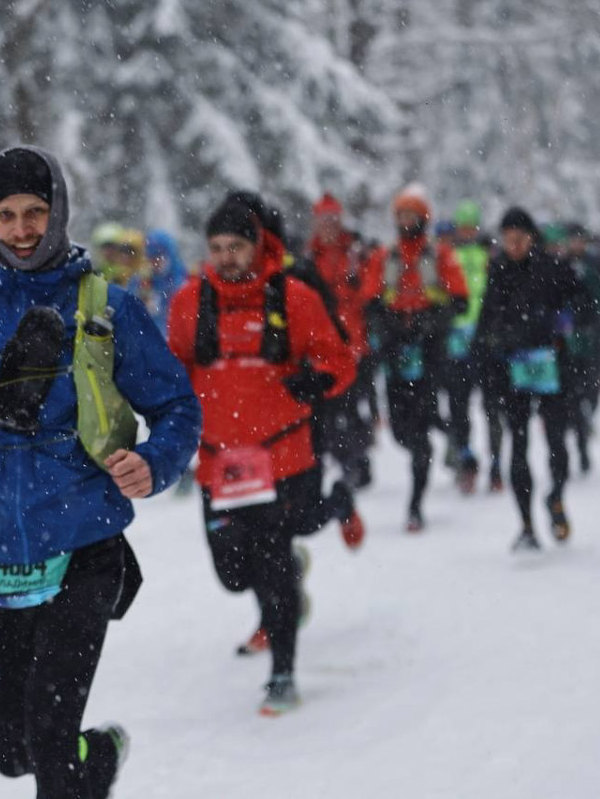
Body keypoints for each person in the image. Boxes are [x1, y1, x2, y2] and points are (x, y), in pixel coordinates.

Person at [0, 145, 200, 797]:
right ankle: (101, 756)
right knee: (14, 753)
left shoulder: (106, 306)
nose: (23, 230)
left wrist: (153, 461)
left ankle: (74, 761)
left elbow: (177, 406)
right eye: (7, 215)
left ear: (59, 212)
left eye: (36, 212)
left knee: (51, 747)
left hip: (84, 553)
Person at [169, 194, 355, 715]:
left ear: (257, 246)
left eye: (236, 246)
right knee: (233, 573)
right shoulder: (190, 301)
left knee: (272, 567)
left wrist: (315, 380)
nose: (227, 257)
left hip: (280, 457)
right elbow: (173, 369)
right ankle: (290, 576)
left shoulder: (293, 297)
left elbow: (339, 359)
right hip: (218, 462)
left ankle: (283, 673)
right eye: (217, 248)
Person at [474, 209, 578, 551]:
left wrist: (564, 323)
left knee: (557, 443)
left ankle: (556, 497)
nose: (513, 245)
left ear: (531, 237)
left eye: (518, 238)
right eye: (507, 239)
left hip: (552, 368)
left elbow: (586, 305)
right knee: (517, 449)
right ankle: (527, 525)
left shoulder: (554, 267)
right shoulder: (499, 270)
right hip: (512, 371)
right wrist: (486, 352)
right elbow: (486, 319)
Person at [367, 186, 468, 530]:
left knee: (421, 430)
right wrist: (389, 324)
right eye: (400, 216)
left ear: (423, 219)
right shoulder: (385, 257)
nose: (405, 222)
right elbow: (369, 302)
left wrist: (430, 321)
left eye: (411, 215)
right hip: (397, 352)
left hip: (429, 351)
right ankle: (449, 434)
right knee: (399, 431)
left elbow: (460, 300)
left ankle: (415, 505)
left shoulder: (439, 255)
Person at [299, 192, 380, 492]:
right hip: (326, 350)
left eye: (333, 219)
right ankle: (350, 462)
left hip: (358, 346)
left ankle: (359, 460)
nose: (329, 226)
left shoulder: (356, 253)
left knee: (355, 409)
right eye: (323, 220)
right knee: (330, 413)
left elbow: (371, 291)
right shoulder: (309, 257)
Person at [444, 200, 494, 493]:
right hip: (455, 339)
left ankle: (496, 461)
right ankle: (465, 458)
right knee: (458, 404)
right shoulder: (446, 255)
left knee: (491, 405)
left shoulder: (487, 254)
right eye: (463, 226)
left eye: (471, 226)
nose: (468, 231)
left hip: (483, 337)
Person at [563, 223, 600, 473]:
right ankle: (580, 448)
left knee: (590, 392)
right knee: (573, 399)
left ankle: (583, 437)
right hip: (569, 343)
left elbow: (599, 303)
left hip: (589, 339)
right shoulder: (562, 266)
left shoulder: (592, 267)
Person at [131, 229, 188, 331]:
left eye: (159, 256)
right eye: (151, 257)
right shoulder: (142, 280)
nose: (155, 262)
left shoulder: (184, 280)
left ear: (171, 254)